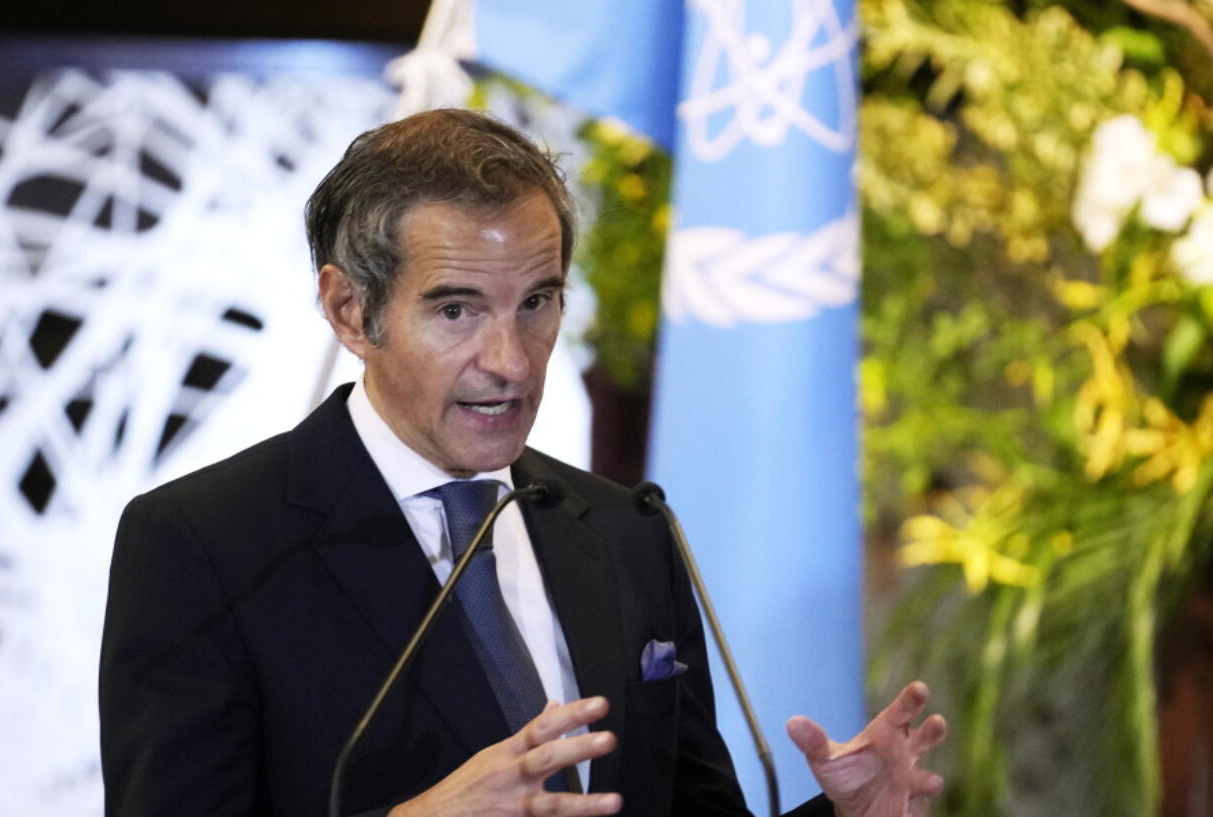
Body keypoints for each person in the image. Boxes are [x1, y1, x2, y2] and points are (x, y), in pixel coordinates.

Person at [99, 109, 946, 817]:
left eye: (537, 302)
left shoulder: (627, 530)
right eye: (457, 310)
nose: (511, 360)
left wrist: (842, 814)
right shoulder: (203, 544)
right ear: (350, 310)